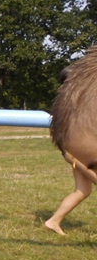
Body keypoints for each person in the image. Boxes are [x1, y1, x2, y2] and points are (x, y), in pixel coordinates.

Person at [45, 46, 97, 235]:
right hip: (79, 150)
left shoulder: (74, 107)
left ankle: (54, 221)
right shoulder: (75, 107)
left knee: (83, 190)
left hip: (73, 148)